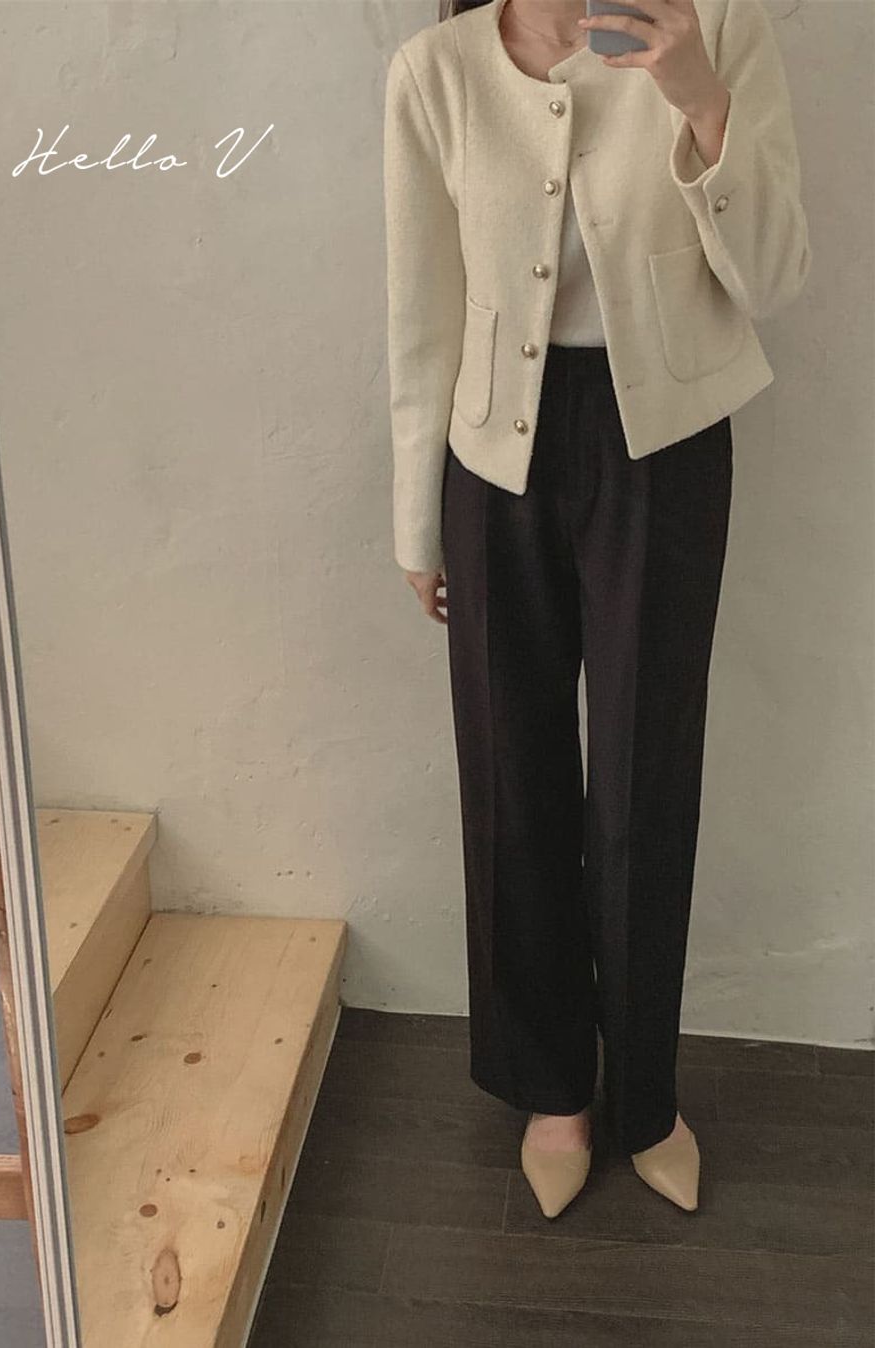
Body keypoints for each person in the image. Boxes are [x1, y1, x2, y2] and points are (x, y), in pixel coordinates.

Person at [382, 0, 810, 1218]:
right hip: (494, 459)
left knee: (642, 777)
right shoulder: (435, 72)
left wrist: (699, 98)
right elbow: (420, 310)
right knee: (510, 775)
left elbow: (775, 275)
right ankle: (552, 1085)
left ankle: (646, 1100)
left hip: (661, 447)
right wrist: (417, 518)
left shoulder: (713, 27)